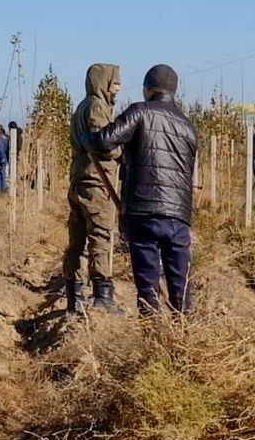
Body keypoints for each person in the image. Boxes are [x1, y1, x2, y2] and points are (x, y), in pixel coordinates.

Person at [83, 64, 198, 314]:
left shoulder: (140, 112)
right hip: (179, 215)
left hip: (144, 210)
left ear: (147, 89)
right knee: (181, 283)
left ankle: (153, 337)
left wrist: (86, 139)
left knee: (148, 285)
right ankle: (185, 335)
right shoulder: (188, 126)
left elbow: (105, 140)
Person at [63, 63, 125, 315]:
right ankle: (103, 296)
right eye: (115, 83)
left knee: (76, 241)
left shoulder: (81, 107)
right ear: (103, 82)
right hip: (97, 182)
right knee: (100, 236)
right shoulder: (97, 108)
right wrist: (122, 150)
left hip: (80, 179)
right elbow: (105, 145)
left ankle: (74, 296)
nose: (118, 88)